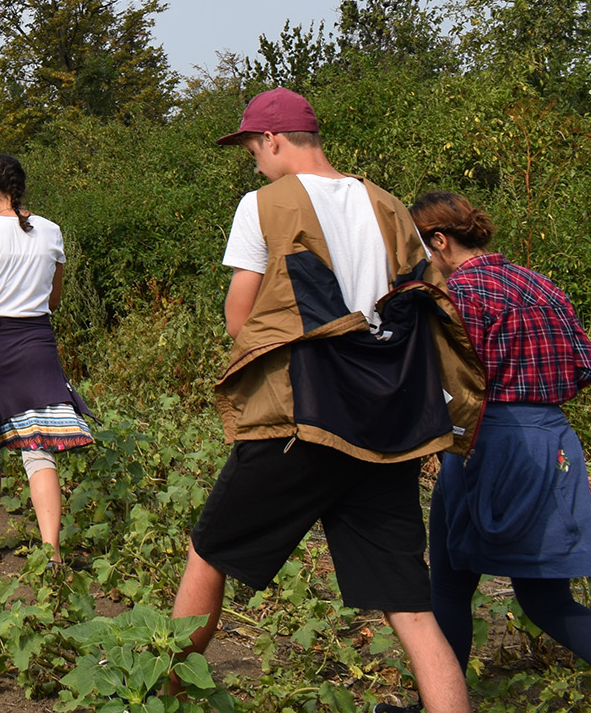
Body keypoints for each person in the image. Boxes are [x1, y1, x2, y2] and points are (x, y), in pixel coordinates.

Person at [167, 88, 479, 713]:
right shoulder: (392, 207)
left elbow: (241, 320)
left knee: (210, 551)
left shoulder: (262, 206)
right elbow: (421, 307)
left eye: (254, 147)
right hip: (388, 426)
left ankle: (165, 695)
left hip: (303, 416)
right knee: (410, 606)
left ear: (275, 140)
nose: (254, 161)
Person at [412, 191, 591, 713]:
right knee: (545, 597)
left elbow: (443, 378)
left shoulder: (458, 294)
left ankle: (442, 706)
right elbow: (586, 367)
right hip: (553, 442)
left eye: (425, 247)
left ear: (439, 240)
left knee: (449, 587)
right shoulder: (538, 283)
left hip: (486, 442)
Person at [0, 154, 91, 562]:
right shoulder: (51, 231)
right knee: (39, 448)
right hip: (37, 343)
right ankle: (52, 552)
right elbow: (54, 298)